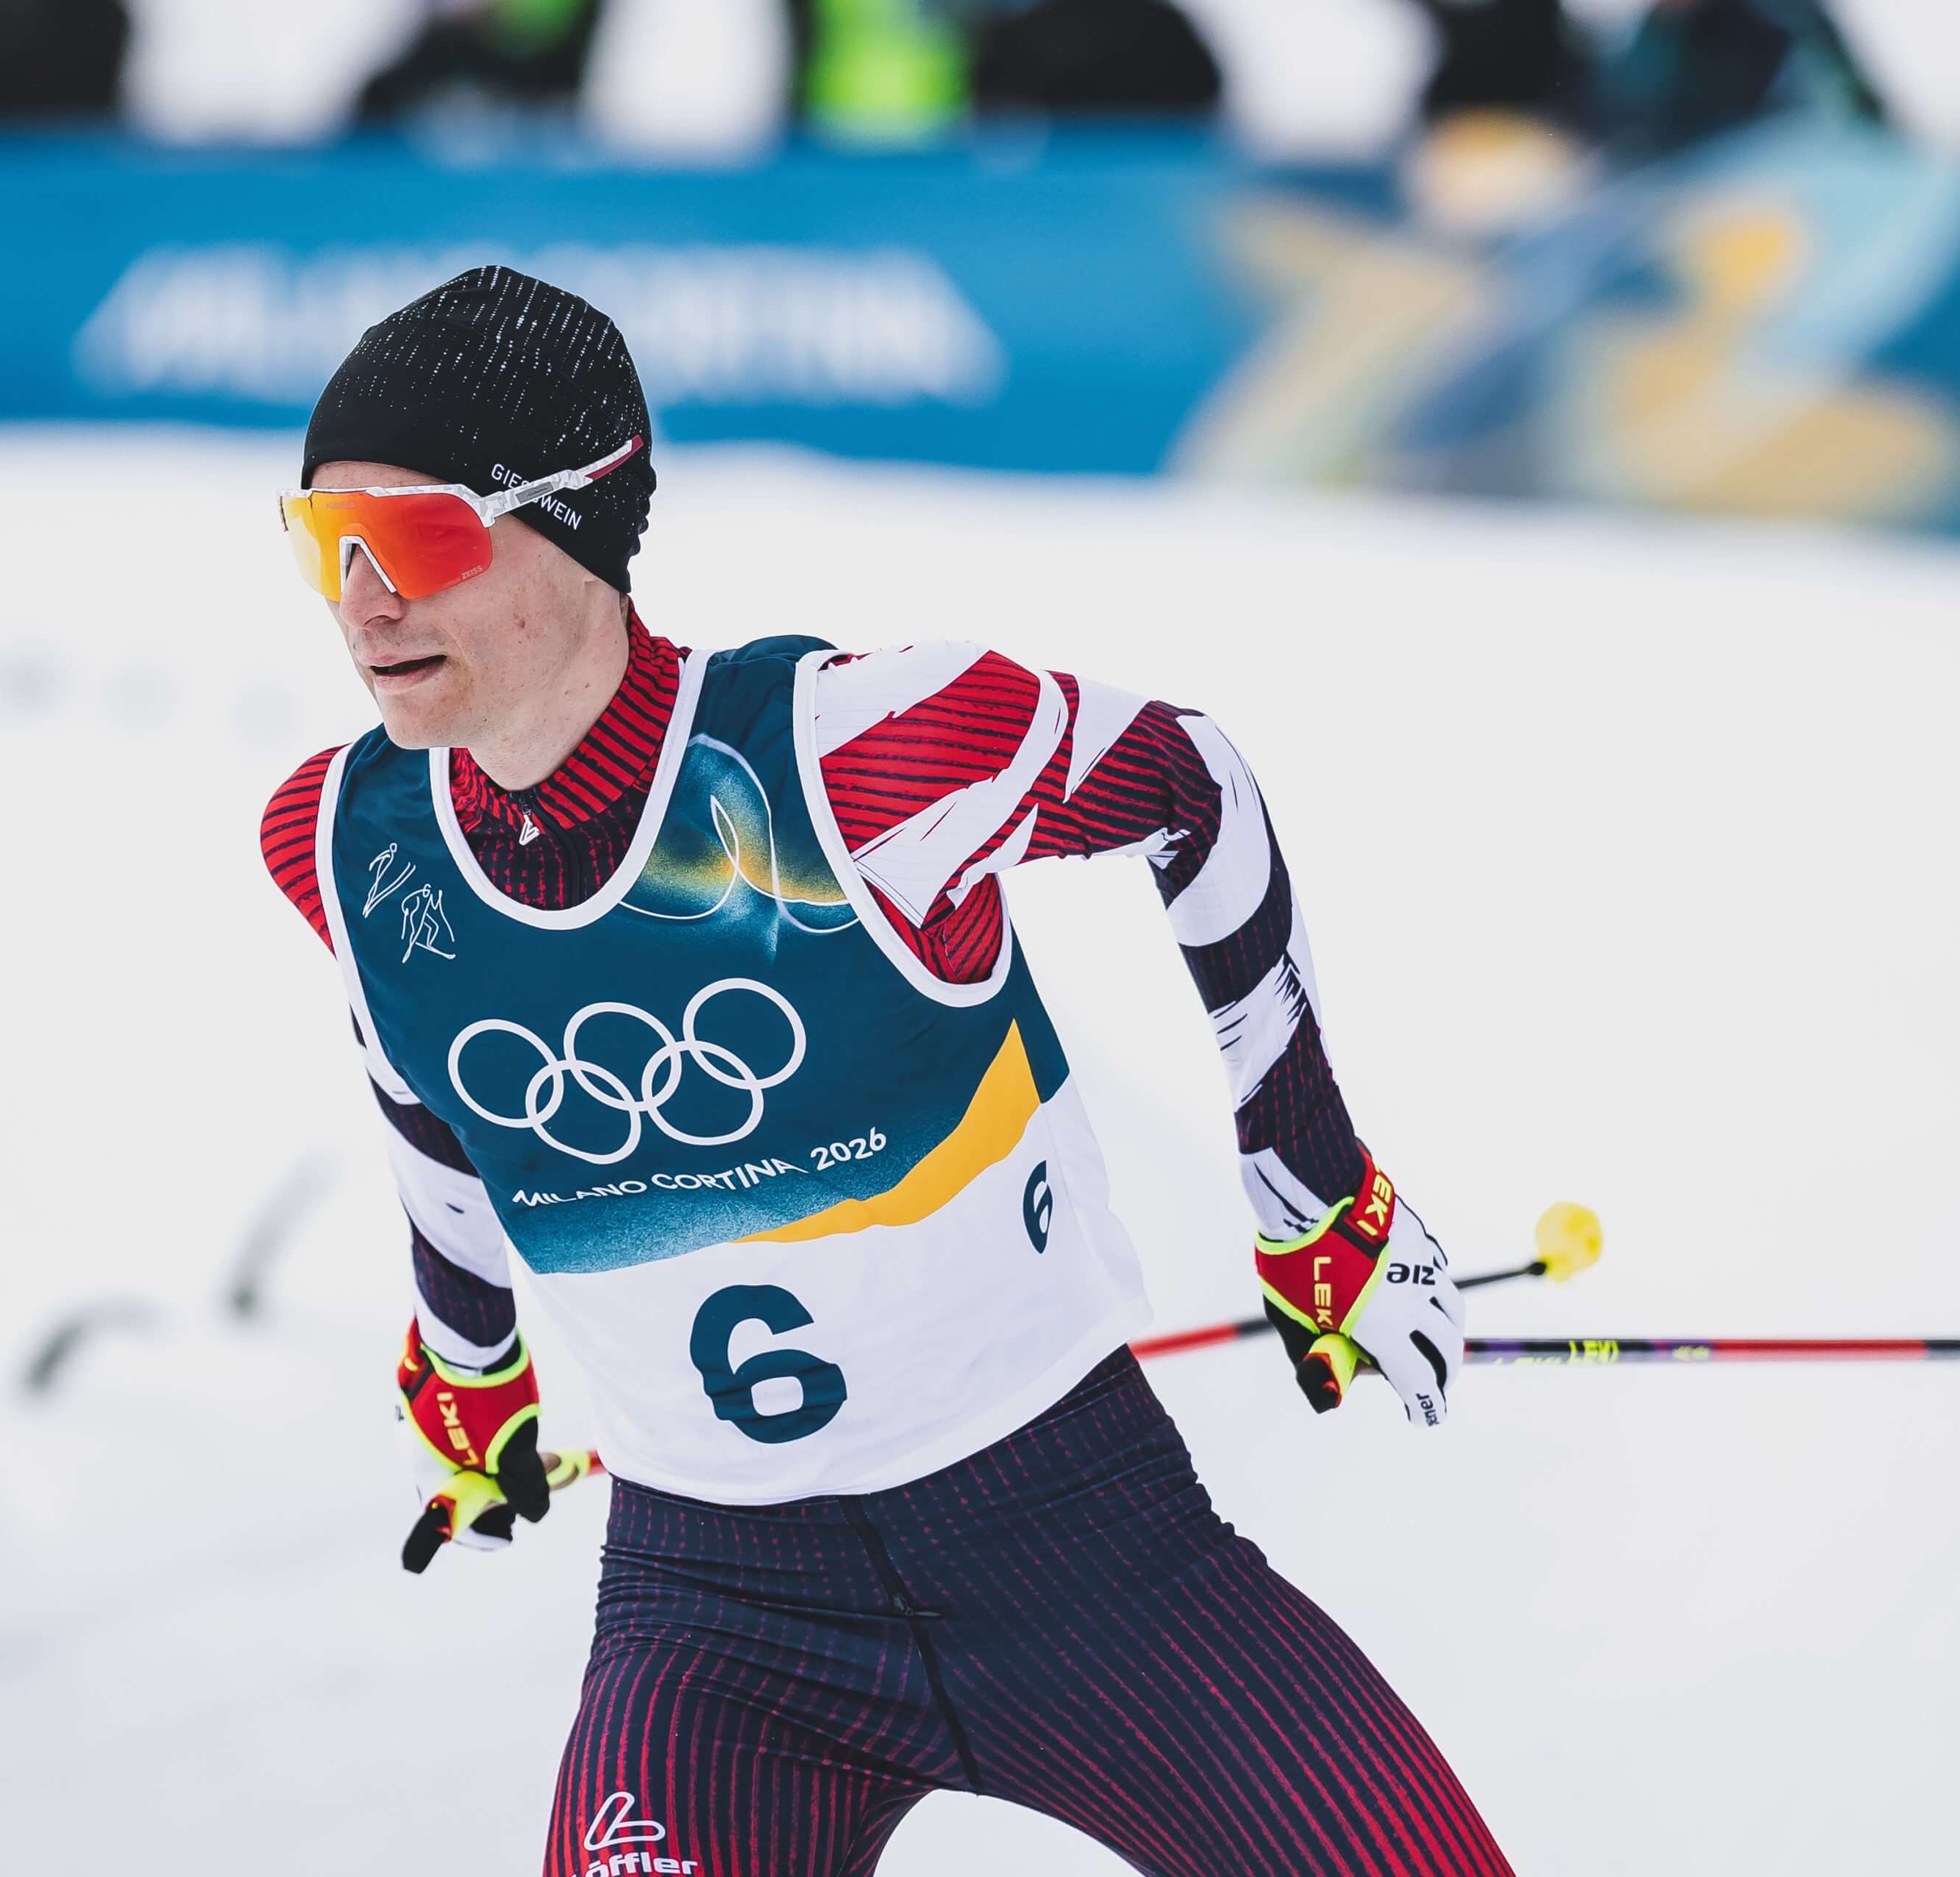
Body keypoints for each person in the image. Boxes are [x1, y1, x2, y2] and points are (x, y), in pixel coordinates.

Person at [262, 266, 1512, 1876]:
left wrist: (1315, 1192)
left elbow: (1188, 783)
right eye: (324, 540)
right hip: (715, 1630)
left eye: (418, 538)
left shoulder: (855, 754)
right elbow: (427, 1088)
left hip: (1083, 1549)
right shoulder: (342, 843)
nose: (365, 599)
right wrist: (468, 1365)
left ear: (576, 515)